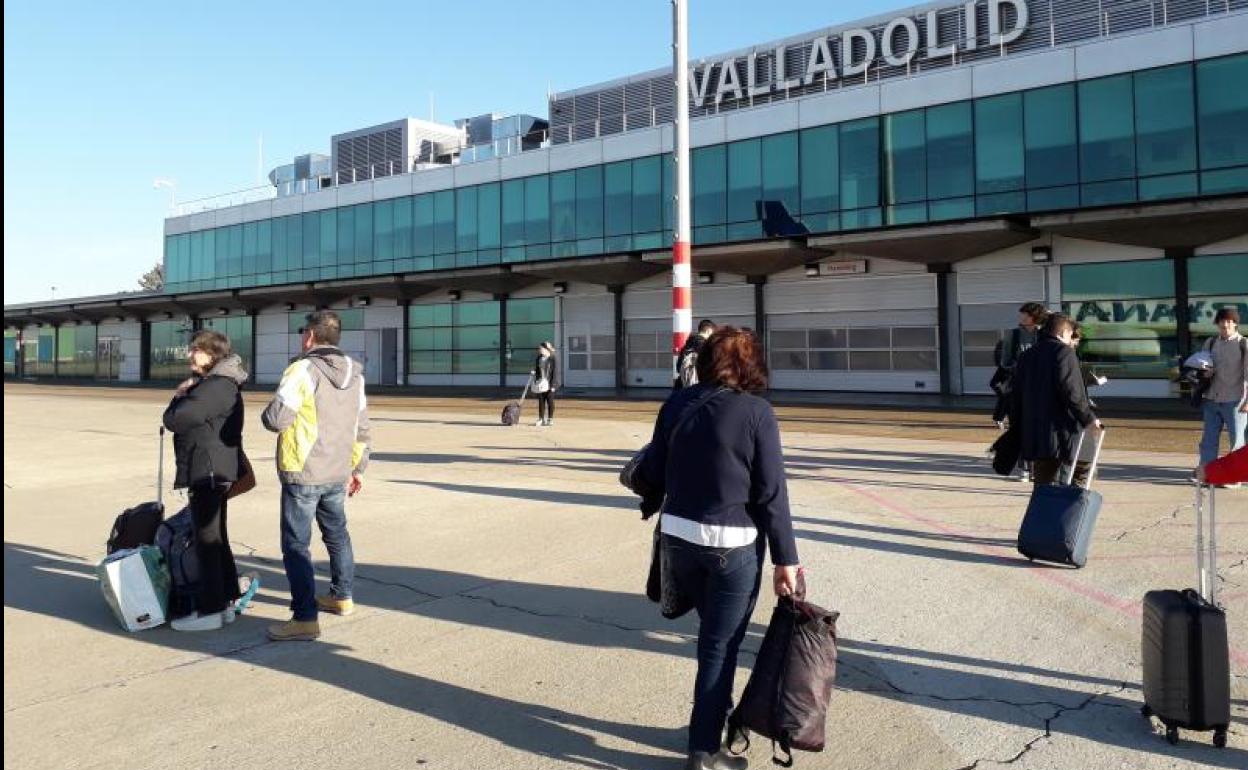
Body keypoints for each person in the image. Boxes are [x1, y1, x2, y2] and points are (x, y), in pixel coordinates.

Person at [637, 326, 800, 770]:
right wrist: (787, 559)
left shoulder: (677, 403)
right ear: (751, 364)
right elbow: (771, 494)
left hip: (678, 540)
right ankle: (704, 752)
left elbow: (653, 467)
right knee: (719, 647)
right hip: (731, 547)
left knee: (712, 643)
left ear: (707, 360)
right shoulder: (756, 413)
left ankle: (708, 724)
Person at [262, 311, 372, 642]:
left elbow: (276, 419)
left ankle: (305, 618)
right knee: (337, 535)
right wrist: (357, 467)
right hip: (338, 469)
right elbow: (362, 426)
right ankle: (342, 596)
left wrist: (268, 411)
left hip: (305, 470)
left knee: (296, 544)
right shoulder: (356, 374)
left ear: (310, 335)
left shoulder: (302, 369)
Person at [161, 330, 248, 632]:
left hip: (209, 471)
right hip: (217, 469)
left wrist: (179, 396)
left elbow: (176, 419)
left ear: (211, 355)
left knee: (207, 541)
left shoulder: (215, 387)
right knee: (216, 537)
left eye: (195, 350)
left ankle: (211, 609)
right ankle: (226, 601)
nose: (190, 355)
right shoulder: (221, 384)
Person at [1010, 312, 1103, 488]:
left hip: (1036, 434)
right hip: (1063, 433)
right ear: (1062, 333)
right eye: (1070, 335)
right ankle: (1072, 512)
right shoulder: (1064, 352)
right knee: (1084, 468)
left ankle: (1042, 514)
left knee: (1043, 485)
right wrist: (1089, 419)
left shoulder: (1026, 356)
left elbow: (1016, 396)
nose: (1071, 339)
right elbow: (1072, 392)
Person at [992, 302, 1049, 480]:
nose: (1021, 317)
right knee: (1020, 428)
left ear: (1035, 316)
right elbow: (1004, 362)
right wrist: (1020, 366)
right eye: (1022, 314)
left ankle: (1037, 467)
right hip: (1018, 390)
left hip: (1040, 390)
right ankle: (1024, 468)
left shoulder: (1045, 335)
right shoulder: (1014, 335)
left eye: (1025, 314)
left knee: (1039, 429)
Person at [1197, 308, 1247, 480]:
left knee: (1237, 442)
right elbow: (1203, 367)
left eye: (1229, 321)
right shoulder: (1210, 343)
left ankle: (1235, 477)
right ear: (1217, 323)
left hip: (1235, 400)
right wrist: (1205, 373)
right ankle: (1206, 473)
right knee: (1208, 440)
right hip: (1211, 398)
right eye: (1222, 321)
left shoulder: (1243, 344)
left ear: (1235, 323)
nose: (1225, 324)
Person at [675, 319, 717, 389]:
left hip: (682, 385)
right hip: (698, 387)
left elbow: (678, 367)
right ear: (708, 331)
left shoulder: (687, 346)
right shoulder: (706, 347)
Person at [530, 341, 561, 427]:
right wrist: (534, 372)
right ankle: (541, 419)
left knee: (550, 401)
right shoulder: (539, 358)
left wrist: (553, 385)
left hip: (550, 382)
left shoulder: (553, 358)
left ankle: (550, 419)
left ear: (546, 349)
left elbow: (556, 372)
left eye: (541, 348)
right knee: (541, 401)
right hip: (541, 382)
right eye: (539, 349)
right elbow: (537, 368)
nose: (539, 350)